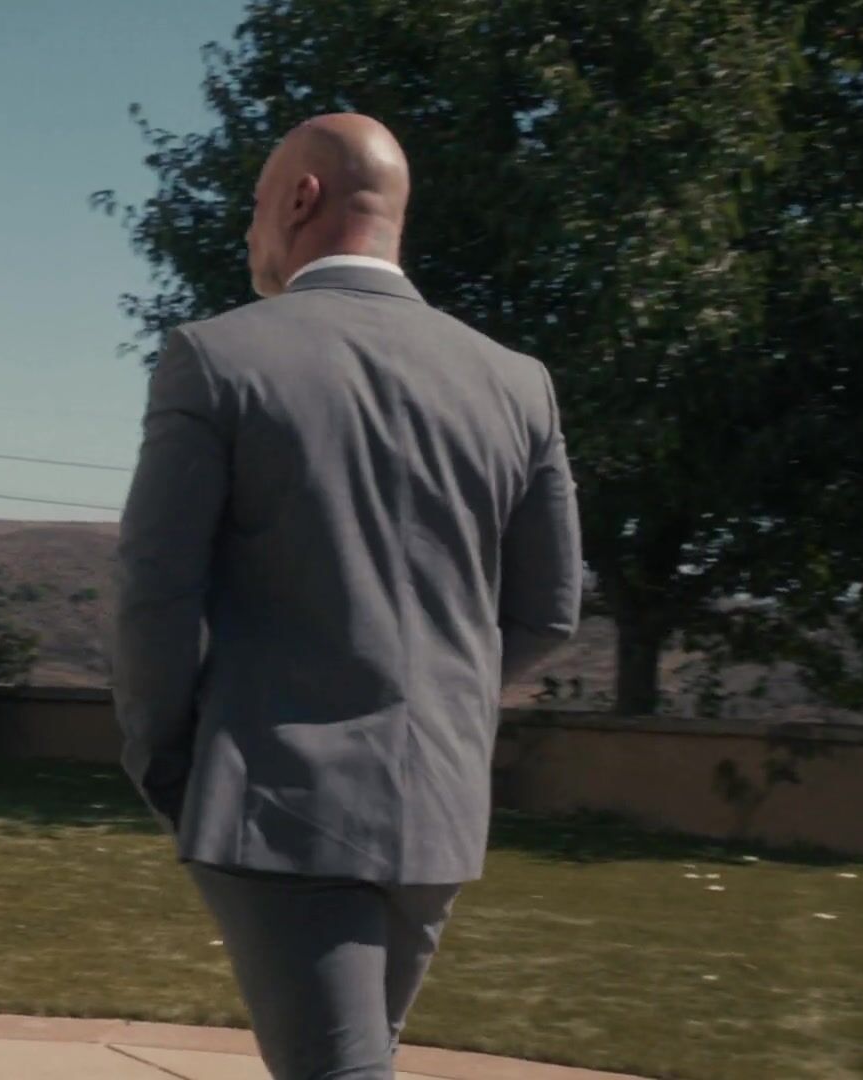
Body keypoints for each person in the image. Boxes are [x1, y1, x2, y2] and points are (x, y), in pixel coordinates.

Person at [113, 113, 582, 1080]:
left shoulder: (216, 357)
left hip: (278, 805)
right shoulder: (517, 383)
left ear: (301, 198)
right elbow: (550, 611)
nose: (249, 228)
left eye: (255, 203)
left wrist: (169, 765)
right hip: (441, 813)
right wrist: (444, 706)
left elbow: (154, 592)